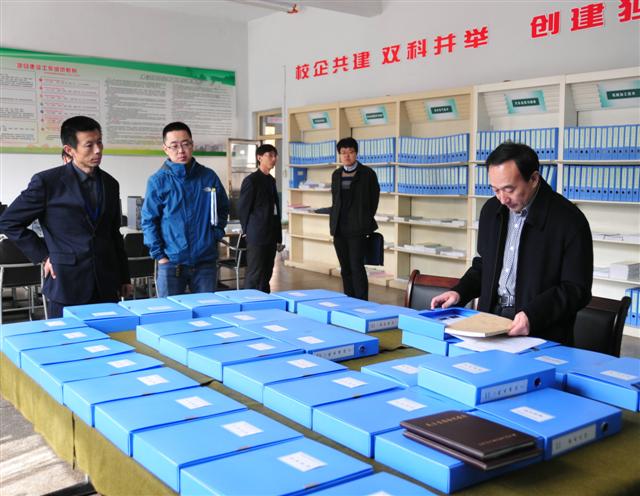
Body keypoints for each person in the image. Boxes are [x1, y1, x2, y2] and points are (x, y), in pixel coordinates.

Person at [431, 142, 593, 344]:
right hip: (490, 318)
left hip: (539, 328)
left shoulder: (569, 220)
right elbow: (484, 266)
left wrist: (533, 316)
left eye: (509, 189)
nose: (502, 199)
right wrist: (459, 292)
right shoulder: (491, 210)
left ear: (534, 179)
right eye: (495, 190)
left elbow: (576, 289)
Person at [0, 116, 132, 317]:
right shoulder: (48, 182)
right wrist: (44, 255)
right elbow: (8, 222)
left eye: (99, 142)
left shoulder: (110, 183)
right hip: (67, 282)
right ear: (70, 150)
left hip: (106, 283)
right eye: (89, 145)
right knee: (66, 336)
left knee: (109, 334)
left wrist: (124, 277)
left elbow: (114, 234)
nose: (98, 150)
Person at [141, 122, 229, 297]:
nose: (181, 150)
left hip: (205, 262)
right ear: (165, 149)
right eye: (174, 146)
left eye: (185, 144)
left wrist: (215, 234)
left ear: (192, 145)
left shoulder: (208, 177)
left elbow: (222, 208)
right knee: (170, 312)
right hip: (171, 263)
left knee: (206, 309)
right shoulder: (158, 181)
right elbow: (149, 221)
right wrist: (160, 257)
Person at [329, 137, 380, 301]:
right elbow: (335, 200)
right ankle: (349, 300)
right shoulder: (336, 174)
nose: (347, 156)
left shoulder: (367, 174)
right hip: (339, 228)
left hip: (358, 228)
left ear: (356, 153)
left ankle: (361, 301)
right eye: (343, 152)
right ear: (339, 155)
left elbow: (374, 200)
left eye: (350, 152)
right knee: (345, 268)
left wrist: (363, 218)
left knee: (356, 266)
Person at [237, 144, 283, 292]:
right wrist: (246, 230)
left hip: (271, 234)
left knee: (267, 274)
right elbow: (243, 209)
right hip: (256, 234)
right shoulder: (251, 180)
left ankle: (265, 301)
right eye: (270, 155)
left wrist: (278, 236)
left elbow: (275, 210)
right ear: (259, 157)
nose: (274, 159)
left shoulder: (271, 180)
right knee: (255, 274)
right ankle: (249, 302)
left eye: (275, 156)